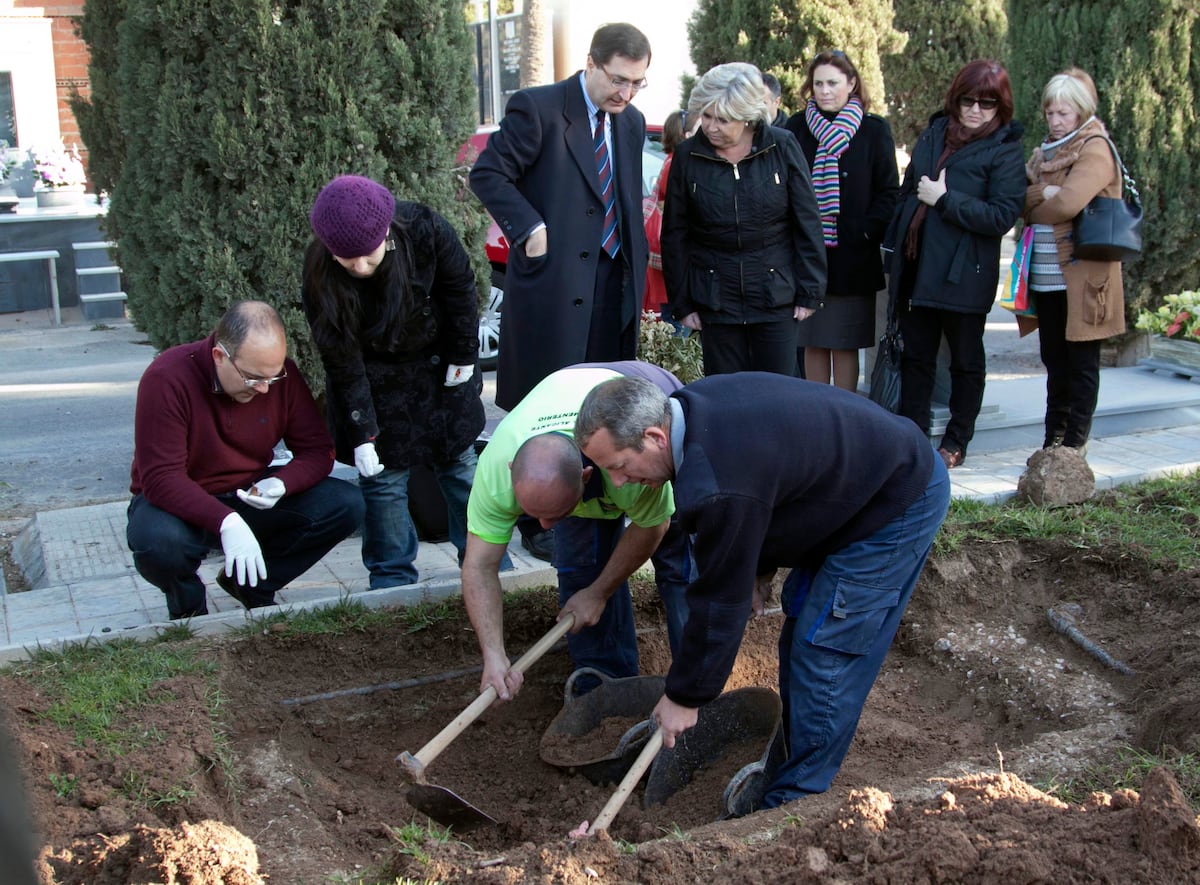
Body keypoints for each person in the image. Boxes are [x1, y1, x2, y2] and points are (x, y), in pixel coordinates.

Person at [574, 372, 949, 810]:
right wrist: (757, 571)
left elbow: (719, 600)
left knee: (824, 646)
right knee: (802, 625)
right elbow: (775, 480)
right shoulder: (692, 413)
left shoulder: (715, 481)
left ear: (655, 436)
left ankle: (796, 803)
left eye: (619, 466)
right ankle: (789, 765)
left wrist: (685, 696)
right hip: (849, 493)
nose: (618, 483)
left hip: (893, 502)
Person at [302, 174, 507, 589]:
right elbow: (340, 357)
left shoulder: (425, 231)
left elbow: (461, 290)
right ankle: (391, 577)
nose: (358, 268)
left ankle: (487, 565)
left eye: (367, 256)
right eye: (347, 259)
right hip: (374, 385)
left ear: (387, 234)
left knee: (460, 467)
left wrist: (463, 356)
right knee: (382, 483)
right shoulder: (320, 274)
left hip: (440, 371)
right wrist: (361, 432)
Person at [462, 362, 690, 702]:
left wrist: (600, 592)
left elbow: (653, 525)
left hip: (644, 417)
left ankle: (696, 688)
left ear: (584, 477)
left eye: (556, 514)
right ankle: (606, 694)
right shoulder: (496, 471)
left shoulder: (629, 463)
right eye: (534, 515)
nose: (545, 528)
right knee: (581, 573)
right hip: (575, 430)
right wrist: (493, 654)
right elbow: (479, 566)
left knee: (682, 571)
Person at [126, 301, 365, 619]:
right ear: (219, 356)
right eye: (253, 378)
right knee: (158, 543)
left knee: (347, 503)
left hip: (246, 493)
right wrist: (226, 522)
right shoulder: (166, 378)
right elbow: (160, 478)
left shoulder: (279, 377)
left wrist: (280, 483)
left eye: (273, 377)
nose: (265, 389)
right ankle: (189, 610)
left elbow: (318, 451)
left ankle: (251, 584)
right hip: (176, 503)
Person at [468, 23, 652, 413]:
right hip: (554, 282)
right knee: (549, 406)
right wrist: (531, 230)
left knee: (604, 405)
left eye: (638, 83)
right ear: (591, 63)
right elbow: (487, 174)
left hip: (615, 283)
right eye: (619, 80)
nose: (627, 93)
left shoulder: (631, 121)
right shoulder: (538, 108)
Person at [882, 59, 1025, 469]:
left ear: (1001, 107)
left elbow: (1001, 216)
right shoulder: (934, 133)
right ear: (955, 99)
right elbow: (910, 189)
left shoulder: (1005, 150)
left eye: (988, 103)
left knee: (965, 359)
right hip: (918, 266)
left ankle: (957, 440)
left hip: (965, 272)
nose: (976, 110)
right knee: (916, 357)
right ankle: (911, 439)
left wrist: (945, 200)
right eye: (969, 101)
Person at [662, 62, 826, 377]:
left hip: (775, 296)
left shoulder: (783, 146)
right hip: (714, 300)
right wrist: (683, 303)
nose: (710, 127)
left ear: (747, 116)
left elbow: (807, 221)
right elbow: (675, 235)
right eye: (706, 116)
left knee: (778, 394)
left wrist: (810, 290)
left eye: (722, 119)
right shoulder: (687, 156)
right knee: (726, 396)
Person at [1021, 68, 1125, 455]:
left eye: (1064, 113)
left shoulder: (1094, 147)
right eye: (1050, 113)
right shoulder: (1045, 151)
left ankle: (1074, 446)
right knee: (1054, 361)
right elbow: (1025, 203)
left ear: (1080, 112)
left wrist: (1042, 196)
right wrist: (1041, 193)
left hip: (1085, 280)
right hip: (1047, 276)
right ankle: (1052, 442)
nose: (1055, 120)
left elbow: (1066, 204)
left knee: (1081, 363)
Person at [787, 50, 899, 391]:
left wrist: (862, 230)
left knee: (844, 343)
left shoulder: (873, 130)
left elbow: (889, 193)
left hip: (853, 256)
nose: (824, 90)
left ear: (851, 84)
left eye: (833, 83)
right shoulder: (796, 127)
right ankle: (816, 414)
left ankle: (845, 417)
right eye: (818, 83)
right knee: (813, 341)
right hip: (807, 256)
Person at [643, 109, 687, 323]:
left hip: (663, 254)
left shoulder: (671, 160)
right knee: (675, 323)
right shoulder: (677, 163)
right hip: (670, 255)